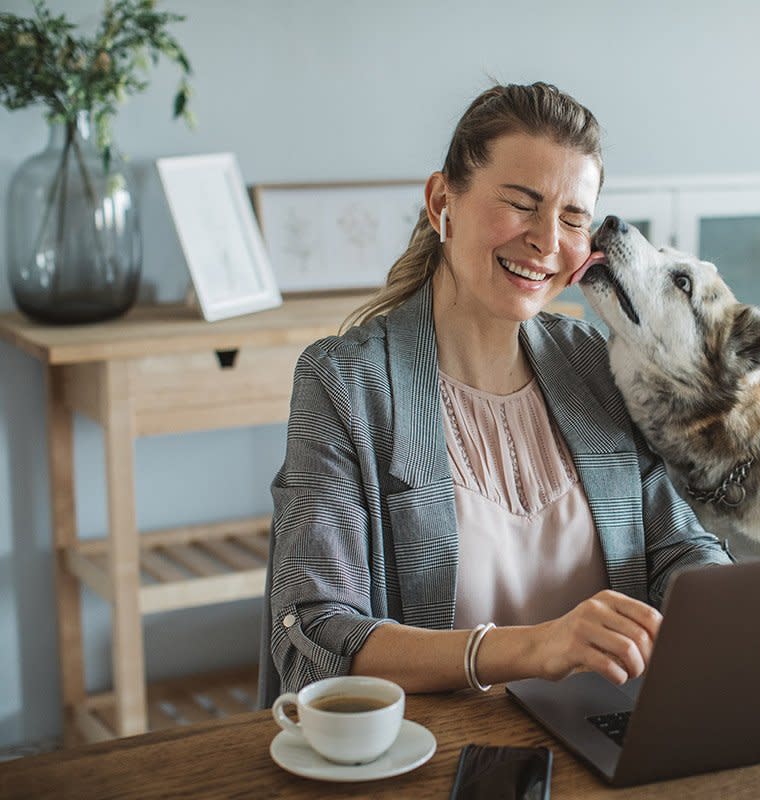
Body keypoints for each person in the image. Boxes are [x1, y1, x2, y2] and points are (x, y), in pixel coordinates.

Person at [258, 82, 732, 707]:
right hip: (435, 755)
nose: (546, 241)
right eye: (520, 204)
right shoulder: (345, 386)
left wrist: (731, 607)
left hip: (605, 740)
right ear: (441, 202)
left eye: (573, 219)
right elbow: (317, 634)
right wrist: (531, 648)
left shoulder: (594, 364)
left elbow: (675, 547)